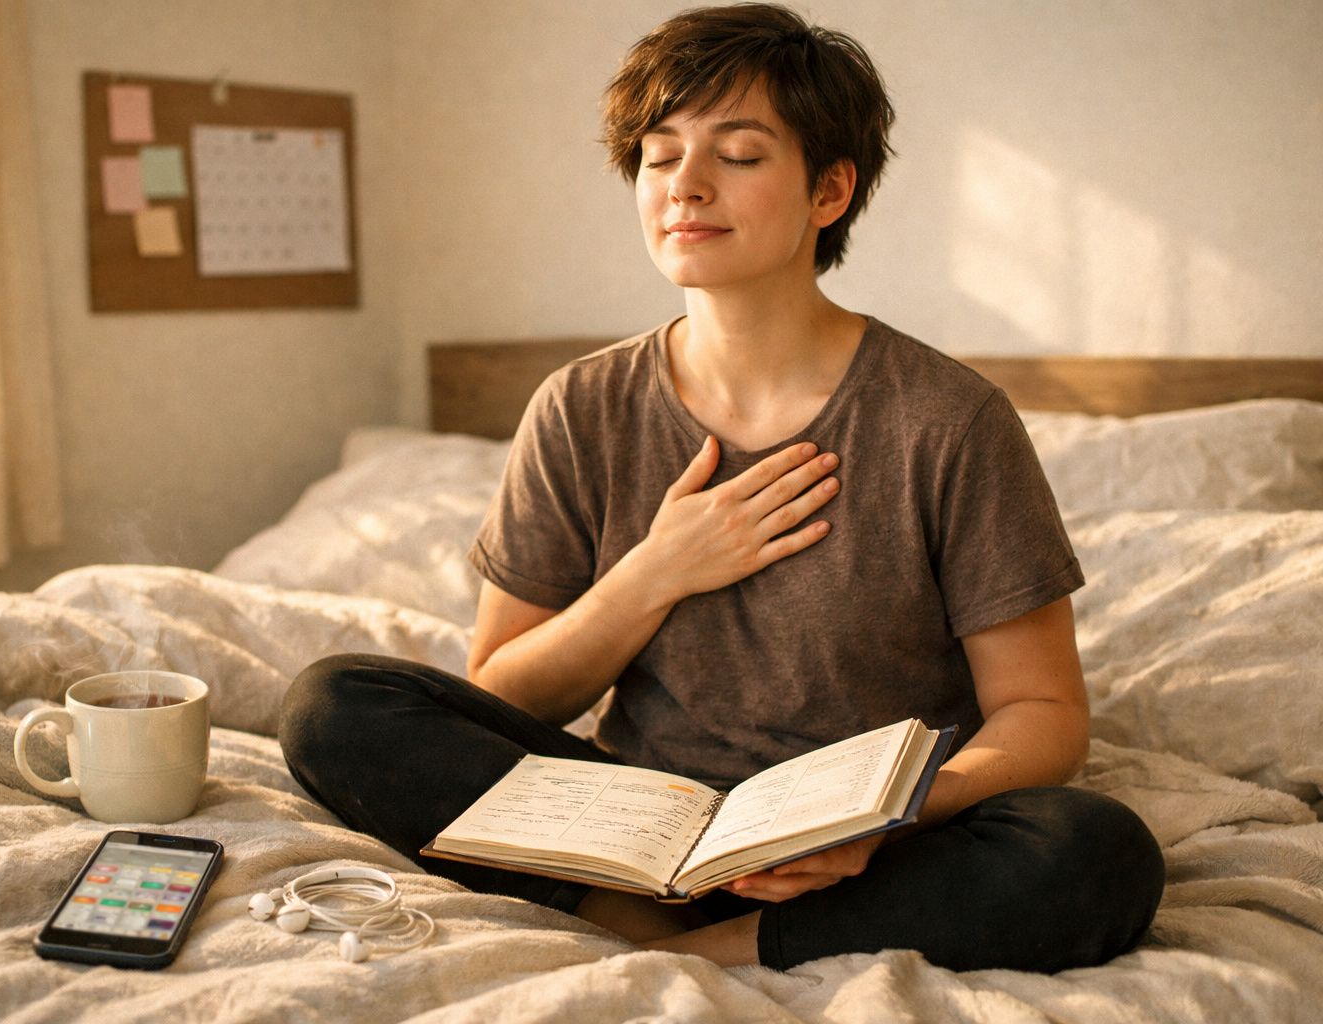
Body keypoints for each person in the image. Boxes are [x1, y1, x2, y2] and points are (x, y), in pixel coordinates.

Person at [280, 2, 1164, 973]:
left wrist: (888, 813)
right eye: (660, 157)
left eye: (738, 155)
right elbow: (500, 691)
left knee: (1094, 849)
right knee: (336, 702)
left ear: (830, 189)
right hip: (629, 827)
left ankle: (723, 946)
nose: (685, 187)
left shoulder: (950, 419)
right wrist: (655, 572)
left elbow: (1044, 714)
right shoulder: (580, 406)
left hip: (869, 843)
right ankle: (646, 918)